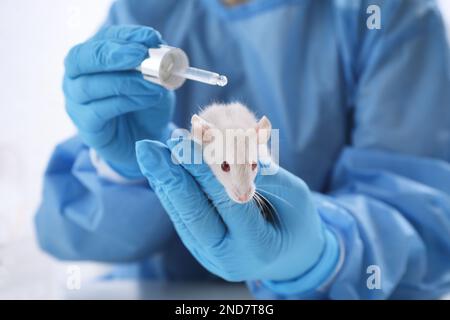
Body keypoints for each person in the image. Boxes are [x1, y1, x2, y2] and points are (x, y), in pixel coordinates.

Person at [35, 0, 450, 299]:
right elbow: (67, 230)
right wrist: (120, 168)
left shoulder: (386, 14)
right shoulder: (145, 12)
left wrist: (324, 254)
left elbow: (424, 217)